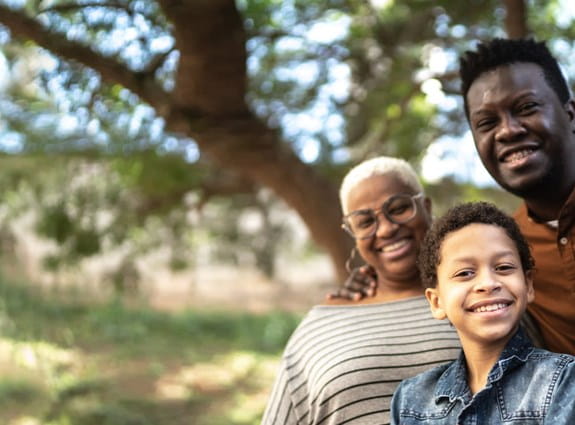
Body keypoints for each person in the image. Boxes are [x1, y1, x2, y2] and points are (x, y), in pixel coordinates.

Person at [261, 156, 460, 425]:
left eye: (399, 208)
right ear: (352, 233)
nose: (387, 229)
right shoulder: (322, 324)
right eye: (365, 222)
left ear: (426, 207)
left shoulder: (479, 299)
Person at [390, 202, 575, 425]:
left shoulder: (563, 379)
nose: (488, 283)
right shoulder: (410, 400)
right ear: (437, 302)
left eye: (504, 267)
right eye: (465, 273)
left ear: (528, 286)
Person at [459, 38, 575, 354]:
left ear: (571, 114)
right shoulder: (503, 250)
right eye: (487, 123)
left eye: (526, 108)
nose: (508, 131)